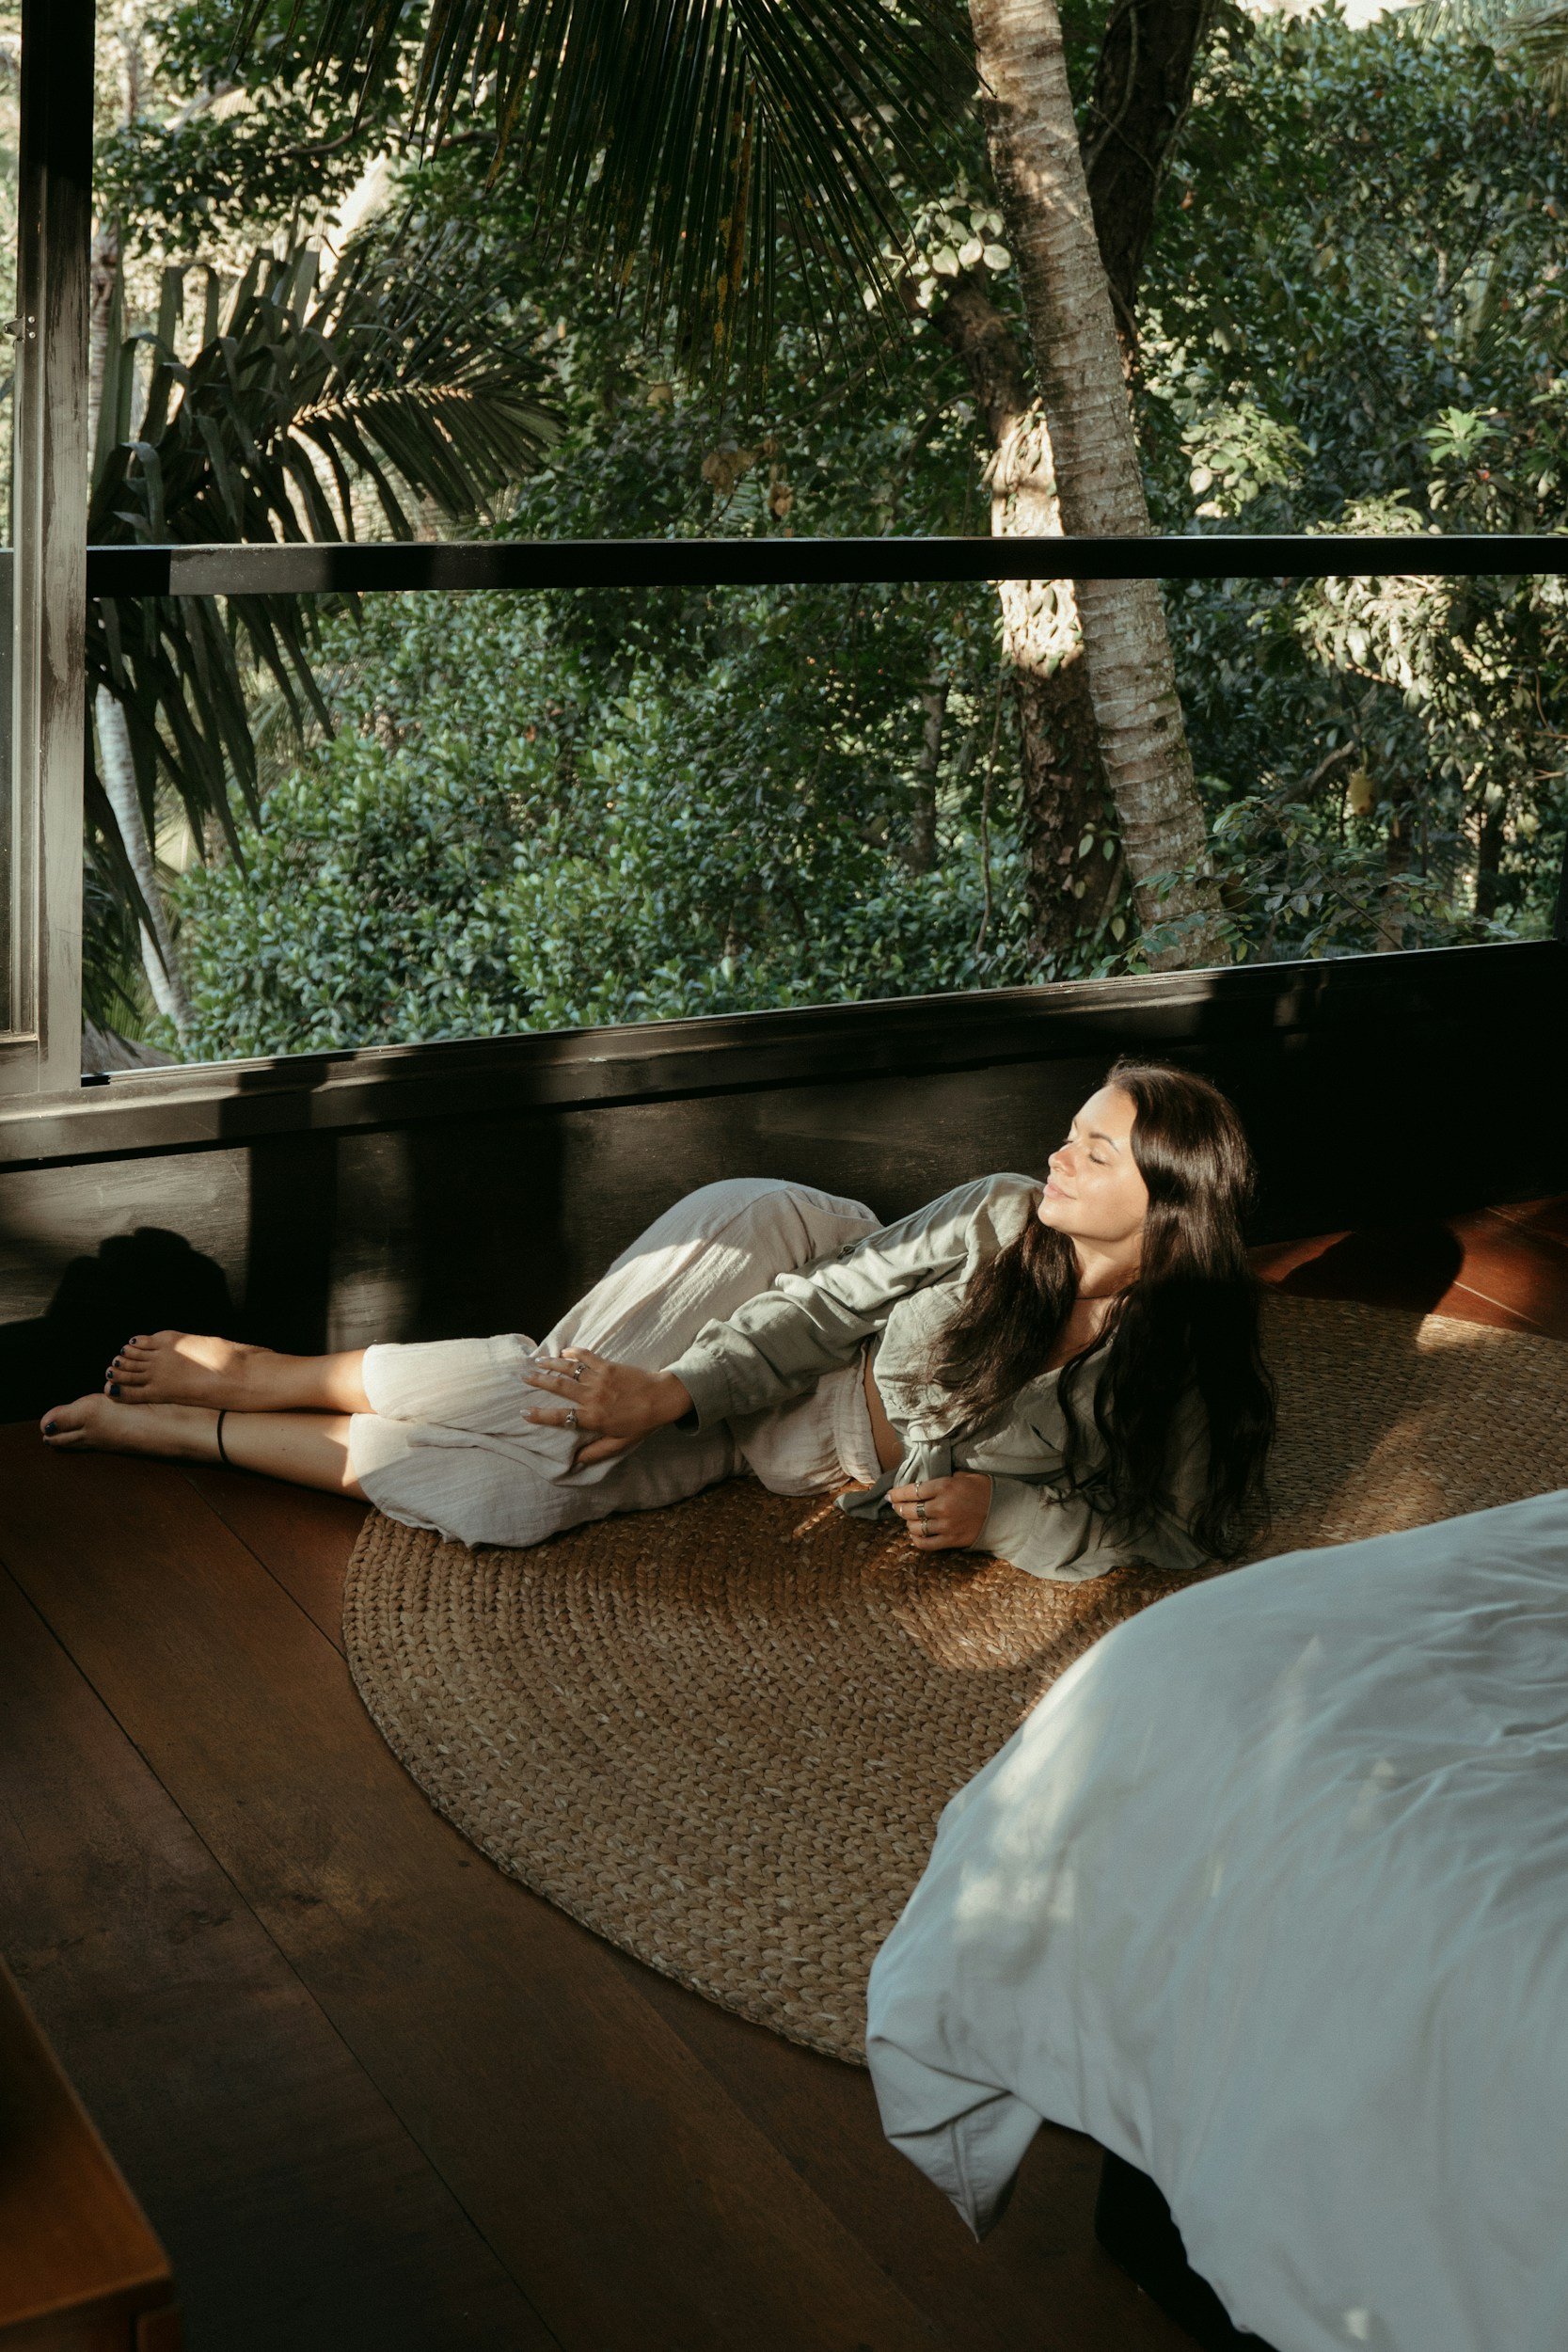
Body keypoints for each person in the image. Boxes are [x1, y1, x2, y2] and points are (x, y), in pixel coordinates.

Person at [39, 1058, 1275, 1579]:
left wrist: (1007, 1516)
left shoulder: (1179, 1361)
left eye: (1094, 1152)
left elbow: (1180, 1530)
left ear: (1167, 1206)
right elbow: (827, 1299)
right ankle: (267, 1376)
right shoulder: (1002, 1214)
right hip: (782, 1268)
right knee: (565, 1401)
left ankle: (204, 1433)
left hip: (788, 1438)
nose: (1058, 1157)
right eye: (1071, 1133)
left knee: (520, 1497)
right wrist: (670, 1394)